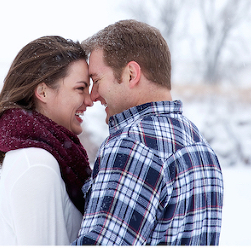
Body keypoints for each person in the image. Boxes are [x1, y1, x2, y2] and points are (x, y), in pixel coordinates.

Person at [73, 19, 223, 245]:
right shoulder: (200, 147)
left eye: (96, 80)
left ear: (131, 74)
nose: (93, 96)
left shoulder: (133, 145)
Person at [0, 35, 94, 245]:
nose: (89, 100)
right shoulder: (36, 165)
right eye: (80, 88)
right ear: (42, 91)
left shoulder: (43, 156)